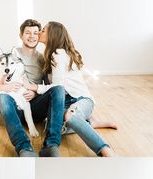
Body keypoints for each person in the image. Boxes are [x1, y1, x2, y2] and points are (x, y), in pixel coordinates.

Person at [24, 21, 115, 157]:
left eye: (43, 30)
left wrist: (35, 87)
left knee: (70, 117)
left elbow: (58, 86)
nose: (39, 32)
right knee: (54, 126)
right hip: (65, 101)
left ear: (52, 34)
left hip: (80, 99)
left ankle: (105, 150)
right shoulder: (49, 56)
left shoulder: (58, 54)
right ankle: (90, 123)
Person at [0, 19, 66, 157]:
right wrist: (2, 86)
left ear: (39, 36)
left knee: (59, 89)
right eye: (27, 33)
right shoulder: (11, 56)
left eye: (35, 33)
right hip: (16, 107)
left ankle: (51, 145)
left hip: (35, 106)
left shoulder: (43, 58)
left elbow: (49, 87)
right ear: (21, 35)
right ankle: (24, 148)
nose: (32, 36)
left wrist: (34, 91)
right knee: (2, 97)